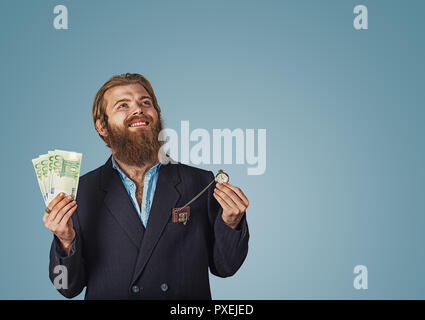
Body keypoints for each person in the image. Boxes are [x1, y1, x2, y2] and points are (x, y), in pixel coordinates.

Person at [43, 73, 250, 299]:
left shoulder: (200, 182)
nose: (138, 110)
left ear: (157, 117)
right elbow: (65, 286)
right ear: (102, 127)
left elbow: (226, 267)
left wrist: (231, 223)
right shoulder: (81, 191)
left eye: (145, 103)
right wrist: (64, 242)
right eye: (123, 105)